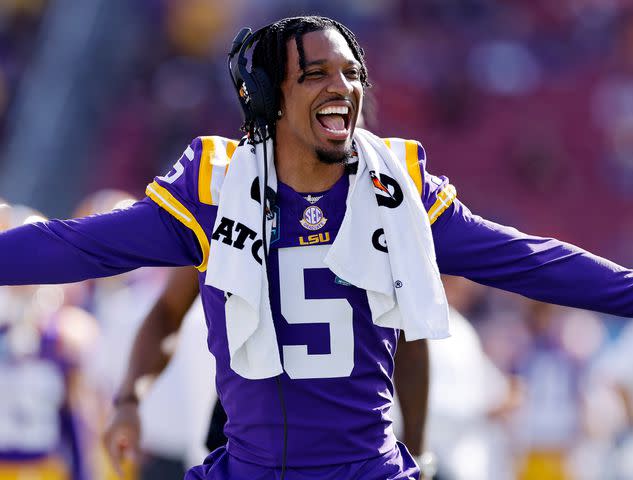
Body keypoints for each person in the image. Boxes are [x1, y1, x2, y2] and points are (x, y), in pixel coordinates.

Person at [1, 15, 633, 480]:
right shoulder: (215, 188)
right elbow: (75, 248)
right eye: (316, 74)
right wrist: (130, 397)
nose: (343, 86)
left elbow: (530, 261)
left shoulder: (396, 188)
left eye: (351, 72)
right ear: (270, 96)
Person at [102, 267, 431, 478]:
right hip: (254, 435)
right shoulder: (226, 197)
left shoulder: (374, 197)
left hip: (348, 439)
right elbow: (167, 311)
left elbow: (410, 335)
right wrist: (129, 400)